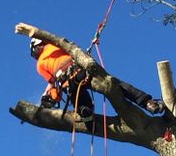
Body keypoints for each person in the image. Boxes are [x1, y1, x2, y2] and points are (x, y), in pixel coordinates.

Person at [30, 38, 164, 126]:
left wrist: (49, 98)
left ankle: (87, 118)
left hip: (68, 85)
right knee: (116, 85)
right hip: (81, 71)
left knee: (82, 103)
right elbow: (73, 49)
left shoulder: (40, 65)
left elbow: (53, 85)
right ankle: (147, 102)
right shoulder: (55, 43)